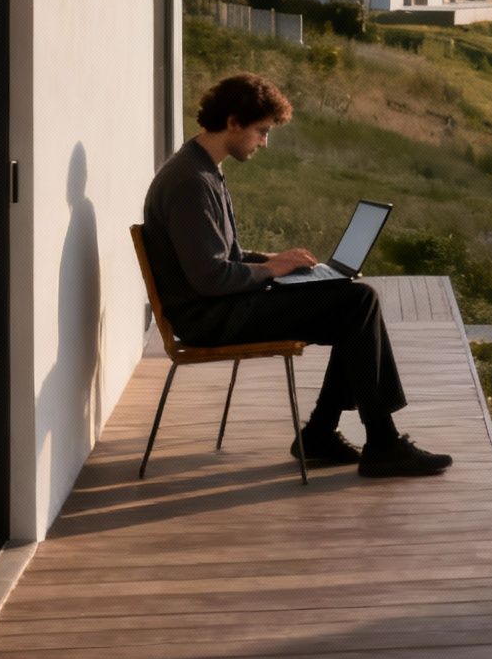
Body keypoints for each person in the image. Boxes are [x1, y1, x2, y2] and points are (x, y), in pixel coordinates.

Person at [140, 72, 450, 477]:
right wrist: (271, 269)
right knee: (358, 301)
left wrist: (274, 259)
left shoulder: (201, 170)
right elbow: (210, 278)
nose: (264, 143)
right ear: (233, 122)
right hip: (211, 317)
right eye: (261, 131)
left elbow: (221, 256)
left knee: (351, 305)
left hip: (220, 305)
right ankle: (378, 441)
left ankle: (329, 433)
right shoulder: (190, 183)